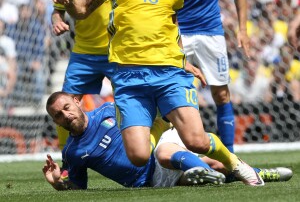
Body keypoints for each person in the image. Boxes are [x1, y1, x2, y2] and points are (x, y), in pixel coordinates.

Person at [53, 0, 264, 186]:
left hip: (168, 72)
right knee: (139, 156)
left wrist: (184, 61)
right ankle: (160, 123)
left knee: (197, 141)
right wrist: (69, 1)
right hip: (128, 76)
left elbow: (170, 29)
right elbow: (82, 10)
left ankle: (234, 163)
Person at [42, 92, 293, 190]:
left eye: (66, 107)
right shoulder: (73, 152)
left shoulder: (108, 110)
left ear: (77, 101)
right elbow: (78, 189)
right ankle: (256, 174)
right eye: (58, 115)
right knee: (213, 171)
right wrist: (57, 183)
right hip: (148, 181)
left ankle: (204, 169)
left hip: (161, 144)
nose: (65, 115)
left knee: (165, 154)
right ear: (56, 122)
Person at [165, 0, 250, 153]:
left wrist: (242, 29)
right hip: (178, 36)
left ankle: (231, 158)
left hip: (211, 32)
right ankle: (173, 153)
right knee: (173, 96)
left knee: (222, 94)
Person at [51, 0, 120, 149]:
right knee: (63, 105)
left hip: (115, 51)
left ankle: (150, 156)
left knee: (132, 104)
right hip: (83, 52)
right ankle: (67, 165)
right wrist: (57, 21)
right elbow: (57, 11)